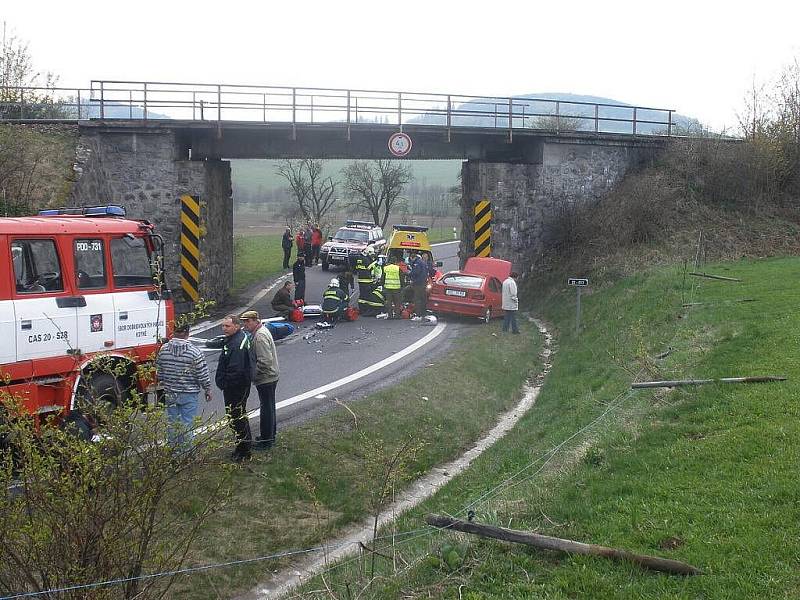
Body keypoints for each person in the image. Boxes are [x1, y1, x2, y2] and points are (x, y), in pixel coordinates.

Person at [156, 320, 212, 448]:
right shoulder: (194, 352)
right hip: (189, 392)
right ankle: (185, 453)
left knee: (172, 423)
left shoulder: (163, 350)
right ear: (187, 333)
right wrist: (207, 389)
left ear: (173, 331)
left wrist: (166, 382)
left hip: (170, 392)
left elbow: (159, 372)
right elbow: (202, 373)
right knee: (187, 423)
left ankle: (173, 450)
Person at [214, 315, 253, 461]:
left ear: (236, 326)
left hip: (236, 387)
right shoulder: (233, 339)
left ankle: (244, 450)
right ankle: (242, 446)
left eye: (227, 326)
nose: (224, 329)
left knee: (237, 417)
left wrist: (224, 383)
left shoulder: (237, 344)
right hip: (234, 386)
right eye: (223, 326)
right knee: (237, 416)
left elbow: (236, 369)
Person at [241, 310, 280, 450]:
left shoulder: (260, 336)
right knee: (269, 406)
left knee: (266, 409)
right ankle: (270, 435)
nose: (245, 325)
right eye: (243, 322)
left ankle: (266, 440)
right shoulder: (261, 331)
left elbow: (264, 361)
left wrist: (252, 375)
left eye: (247, 321)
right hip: (270, 376)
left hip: (266, 377)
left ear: (255, 321)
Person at [409, 252, 429, 319]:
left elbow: (416, 272)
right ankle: (423, 313)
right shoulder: (422, 262)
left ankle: (418, 314)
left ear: (412, 257)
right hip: (424, 282)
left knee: (417, 299)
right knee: (423, 298)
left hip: (418, 283)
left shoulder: (417, 263)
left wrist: (409, 274)